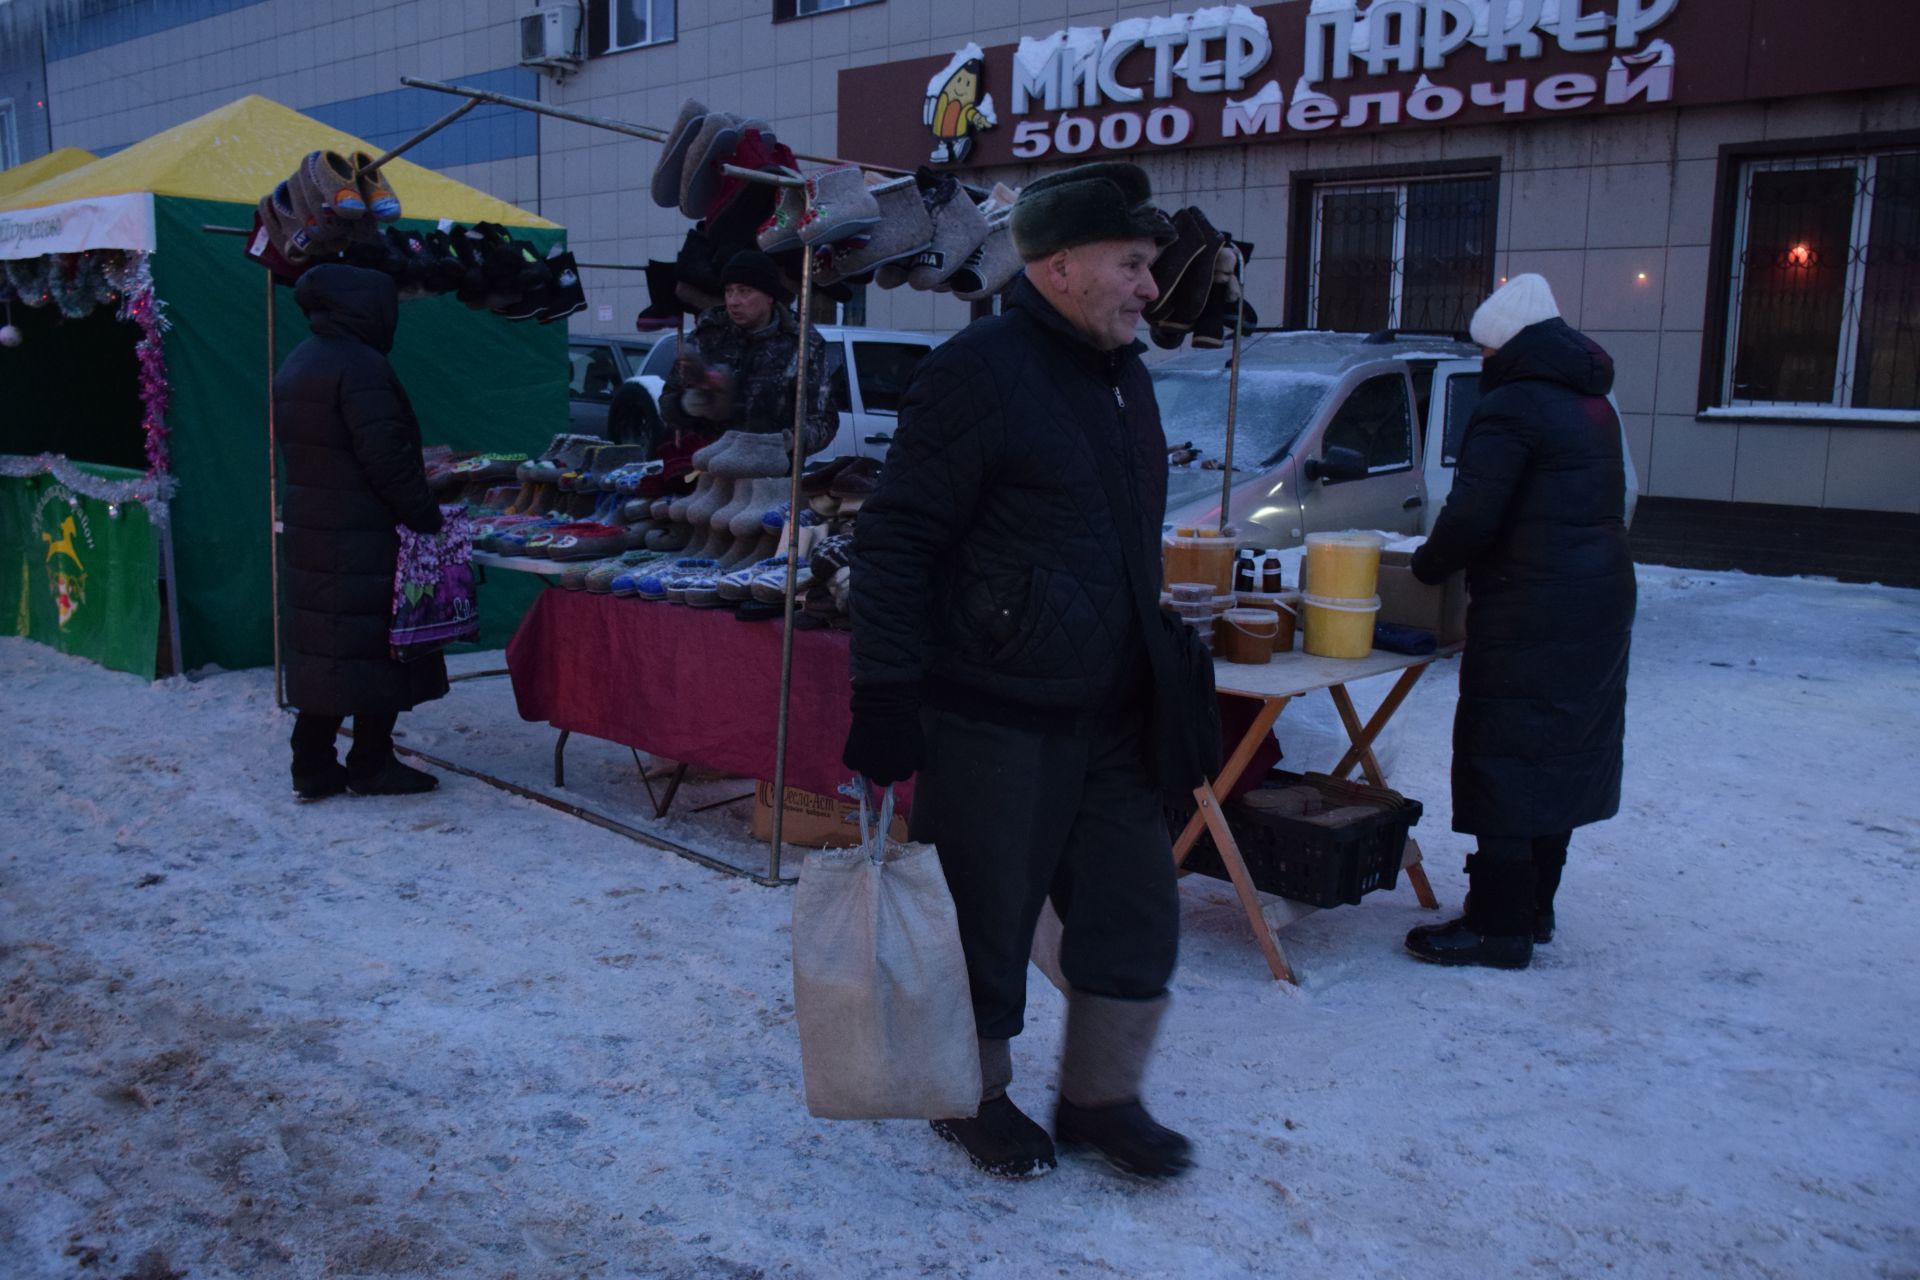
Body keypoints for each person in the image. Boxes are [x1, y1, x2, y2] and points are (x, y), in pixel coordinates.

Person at [844, 162, 1200, 1181]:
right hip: (996, 711)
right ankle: (971, 1092)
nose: (1148, 286)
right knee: (982, 924)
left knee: (1136, 911)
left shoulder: (1125, 374)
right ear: (1057, 267)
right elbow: (898, 538)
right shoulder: (979, 370)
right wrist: (885, 691)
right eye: (1131, 264)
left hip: (1117, 710)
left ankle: (1100, 1096)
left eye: (1148, 265)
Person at [1405, 273, 1636, 970]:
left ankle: (1497, 926)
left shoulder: (1512, 406)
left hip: (1531, 602)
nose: (1481, 359)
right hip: (1596, 599)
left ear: (1505, 343)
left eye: (1484, 347)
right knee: (1558, 751)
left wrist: (1425, 568)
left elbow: (1473, 513)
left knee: (1505, 752)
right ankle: (1534, 909)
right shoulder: (1591, 399)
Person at [275, 263, 446, 800]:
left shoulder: (301, 361)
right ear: (367, 307)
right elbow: (387, 459)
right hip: (363, 535)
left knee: (329, 652)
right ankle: (371, 763)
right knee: (378, 651)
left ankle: (313, 765)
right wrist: (426, 517)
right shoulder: (361, 366)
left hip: (317, 530)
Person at [658, 249, 833, 457]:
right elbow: (666, 404)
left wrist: (784, 442)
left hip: (772, 476)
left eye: (744, 291)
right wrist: (685, 405)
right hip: (709, 471)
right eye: (729, 291)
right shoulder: (707, 337)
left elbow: (823, 420)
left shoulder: (803, 344)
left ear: (769, 297)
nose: (733, 301)